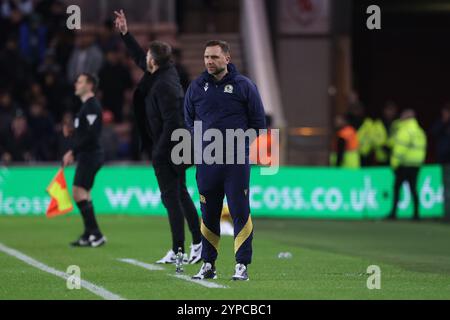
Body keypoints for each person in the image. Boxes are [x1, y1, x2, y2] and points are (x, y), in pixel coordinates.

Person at [114, 9, 202, 264]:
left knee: (171, 197)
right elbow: (139, 59)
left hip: (171, 147)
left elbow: (174, 122)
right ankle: (195, 244)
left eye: (149, 55)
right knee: (180, 194)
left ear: (156, 60)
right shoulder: (163, 73)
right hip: (176, 145)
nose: (146, 59)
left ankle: (179, 249)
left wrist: (159, 152)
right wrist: (125, 34)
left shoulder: (165, 84)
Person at [184, 40, 266, 281]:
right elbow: (188, 121)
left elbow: (259, 124)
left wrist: (237, 146)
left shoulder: (244, 86)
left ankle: (242, 265)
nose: (209, 61)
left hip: (235, 163)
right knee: (208, 212)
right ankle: (208, 264)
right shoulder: (196, 87)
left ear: (227, 59)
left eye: (215, 57)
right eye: (206, 57)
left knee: (240, 210)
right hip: (207, 162)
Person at [62, 73, 106, 247]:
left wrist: (72, 151)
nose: (76, 84)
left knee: (78, 192)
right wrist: (73, 131)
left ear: (89, 85)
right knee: (83, 194)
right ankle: (89, 234)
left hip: (91, 155)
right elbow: (86, 132)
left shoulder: (92, 106)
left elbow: (92, 134)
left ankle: (96, 233)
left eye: (79, 81)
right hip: (87, 155)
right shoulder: (86, 107)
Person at [388, 109, 427, 221]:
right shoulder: (420, 131)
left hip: (404, 164)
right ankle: (416, 214)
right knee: (413, 189)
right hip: (416, 164)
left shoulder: (404, 131)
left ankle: (393, 213)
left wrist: (394, 164)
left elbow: (399, 149)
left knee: (397, 188)